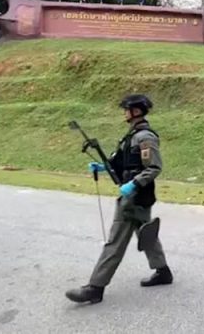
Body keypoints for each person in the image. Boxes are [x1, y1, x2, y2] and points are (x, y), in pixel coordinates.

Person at [65, 94, 172, 305]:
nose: (124, 113)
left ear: (136, 111)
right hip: (137, 195)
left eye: (127, 109)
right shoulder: (132, 136)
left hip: (135, 196)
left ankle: (95, 287)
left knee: (115, 242)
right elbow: (124, 162)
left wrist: (134, 184)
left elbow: (154, 167)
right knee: (146, 233)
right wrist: (103, 167)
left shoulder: (145, 137)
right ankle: (163, 272)